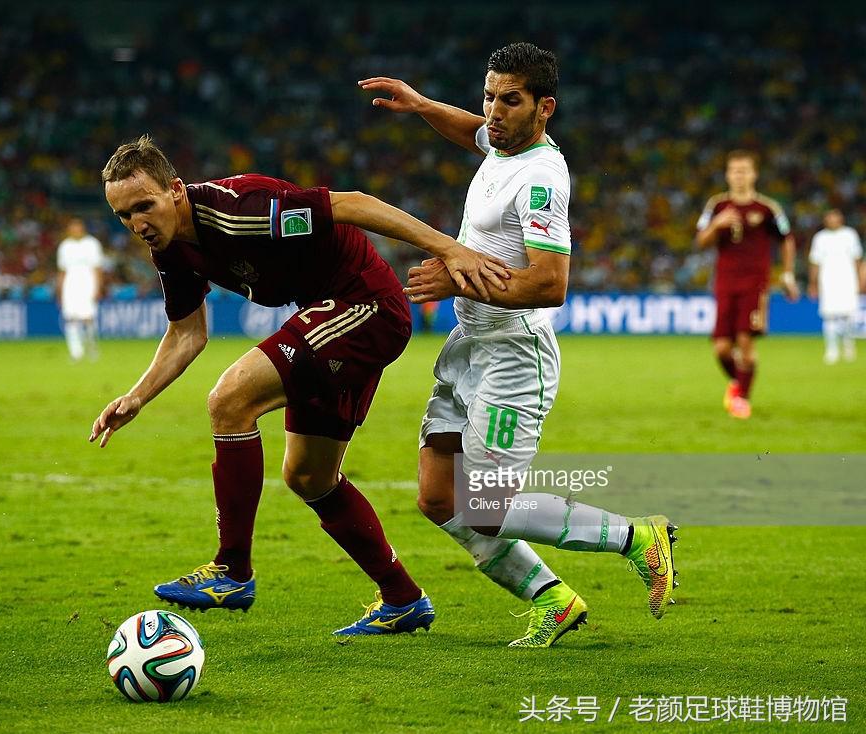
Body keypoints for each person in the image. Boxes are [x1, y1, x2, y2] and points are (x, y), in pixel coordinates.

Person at [89, 134, 509, 636]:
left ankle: (231, 570)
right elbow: (187, 333)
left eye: (144, 206)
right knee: (309, 476)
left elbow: (353, 204)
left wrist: (449, 249)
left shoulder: (241, 209)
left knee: (230, 398)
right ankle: (402, 598)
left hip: (364, 305)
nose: (137, 224)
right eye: (123, 216)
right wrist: (137, 396)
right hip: (327, 314)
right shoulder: (172, 249)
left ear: (176, 190)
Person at [359, 42, 677, 649]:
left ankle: (639, 537)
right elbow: (472, 132)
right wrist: (424, 104)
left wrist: (456, 275)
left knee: (487, 505)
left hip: (514, 353)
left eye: (510, 101)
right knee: (438, 497)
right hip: (468, 343)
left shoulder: (539, 180)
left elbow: (549, 282)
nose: (492, 113)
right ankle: (552, 600)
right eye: (489, 97)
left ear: (544, 108)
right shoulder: (503, 143)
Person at [695, 150, 799, 419]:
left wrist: (787, 274)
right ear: (728, 175)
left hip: (755, 283)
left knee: (745, 341)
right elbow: (700, 241)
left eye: (744, 170)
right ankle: (738, 383)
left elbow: (786, 239)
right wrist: (717, 225)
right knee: (721, 348)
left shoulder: (767, 209)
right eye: (734, 170)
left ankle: (741, 398)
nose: (739, 175)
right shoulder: (716, 206)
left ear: (754, 174)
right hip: (725, 282)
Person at [808, 209, 864, 364]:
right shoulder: (820, 238)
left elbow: (857, 258)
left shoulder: (850, 235)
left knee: (848, 315)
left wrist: (860, 279)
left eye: (835, 217)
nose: (832, 220)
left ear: (841, 219)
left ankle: (848, 344)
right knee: (829, 316)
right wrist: (812, 283)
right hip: (827, 280)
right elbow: (815, 262)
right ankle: (831, 349)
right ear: (825, 220)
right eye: (829, 217)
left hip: (847, 279)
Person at [56, 218, 104, 361]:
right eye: (72, 228)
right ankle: (75, 352)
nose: (75, 230)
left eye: (78, 227)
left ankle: (91, 347)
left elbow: (97, 268)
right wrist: (59, 291)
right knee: (70, 319)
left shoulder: (92, 244)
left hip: (87, 282)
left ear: (83, 229)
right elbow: (62, 271)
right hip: (70, 284)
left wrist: (98, 287)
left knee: (88, 318)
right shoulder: (64, 246)